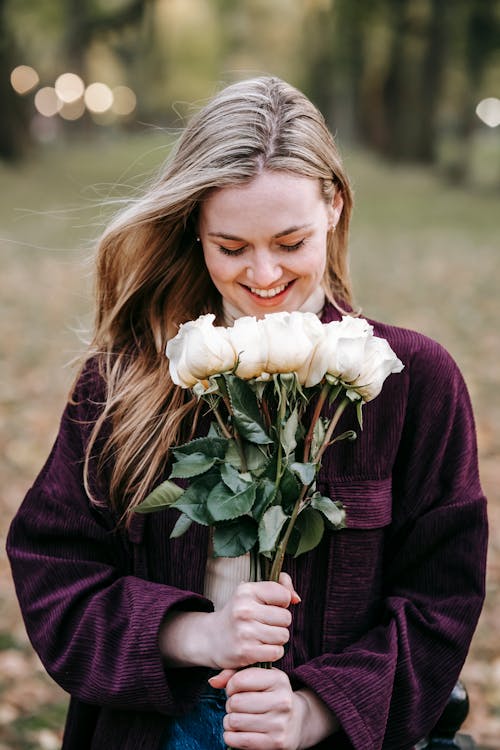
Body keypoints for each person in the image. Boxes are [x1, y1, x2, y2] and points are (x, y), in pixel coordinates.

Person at [7, 76, 487, 750]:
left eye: (290, 242)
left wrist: (314, 710)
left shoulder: (413, 381)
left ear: (335, 209)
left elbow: (441, 602)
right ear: (195, 232)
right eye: (230, 247)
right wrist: (195, 633)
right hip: (154, 730)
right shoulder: (126, 380)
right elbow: (54, 570)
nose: (263, 276)